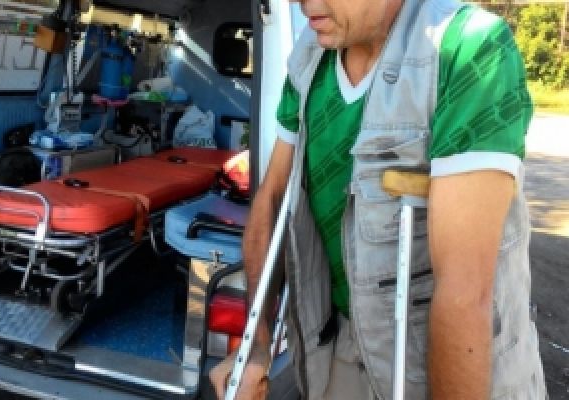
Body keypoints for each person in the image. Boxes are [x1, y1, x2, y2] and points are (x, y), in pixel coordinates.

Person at [211, 0, 548, 398]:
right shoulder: (312, 53)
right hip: (339, 352)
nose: (304, 4)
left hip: (454, 366)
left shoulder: (466, 48)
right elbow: (272, 199)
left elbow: (465, 292)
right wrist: (255, 347)